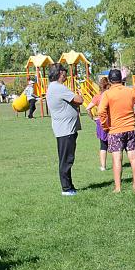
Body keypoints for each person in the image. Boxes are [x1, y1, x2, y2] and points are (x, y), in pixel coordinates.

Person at [98, 69, 135, 193]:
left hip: (115, 130)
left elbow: (101, 112)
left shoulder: (107, 94)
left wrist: (105, 125)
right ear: (121, 79)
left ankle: (118, 187)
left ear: (110, 80)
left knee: (117, 159)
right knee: (133, 157)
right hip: (131, 128)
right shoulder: (130, 91)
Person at [45, 63, 84, 196]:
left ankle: (70, 186)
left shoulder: (53, 87)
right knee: (66, 160)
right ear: (61, 73)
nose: (66, 74)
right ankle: (66, 189)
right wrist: (79, 94)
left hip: (64, 129)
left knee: (67, 158)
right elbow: (79, 100)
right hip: (65, 130)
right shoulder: (58, 88)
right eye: (65, 72)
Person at [85, 77, 111, 171]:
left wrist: (93, 118)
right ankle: (118, 163)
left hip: (101, 122)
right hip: (113, 121)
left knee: (103, 145)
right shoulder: (111, 96)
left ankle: (103, 166)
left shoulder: (97, 97)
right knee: (116, 144)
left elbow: (88, 108)